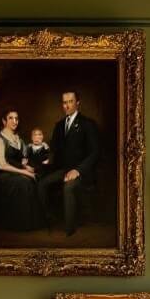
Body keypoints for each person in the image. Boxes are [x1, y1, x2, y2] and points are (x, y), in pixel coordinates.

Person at [40, 89, 100, 236]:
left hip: (82, 172)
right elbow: (53, 150)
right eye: (64, 102)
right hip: (63, 169)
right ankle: (47, 219)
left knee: (68, 187)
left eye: (70, 102)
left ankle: (69, 229)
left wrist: (77, 170)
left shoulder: (88, 124)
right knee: (41, 183)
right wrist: (42, 159)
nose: (66, 106)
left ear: (77, 103)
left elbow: (95, 153)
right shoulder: (59, 125)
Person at [0, 110, 41, 230]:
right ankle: (20, 224)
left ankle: (34, 221)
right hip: (4, 176)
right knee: (24, 181)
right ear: (4, 121)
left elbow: (23, 160)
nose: (15, 121)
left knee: (36, 176)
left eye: (16, 118)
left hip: (18, 173)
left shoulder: (19, 139)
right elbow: (1, 165)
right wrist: (24, 172)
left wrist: (27, 167)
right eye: (11, 118)